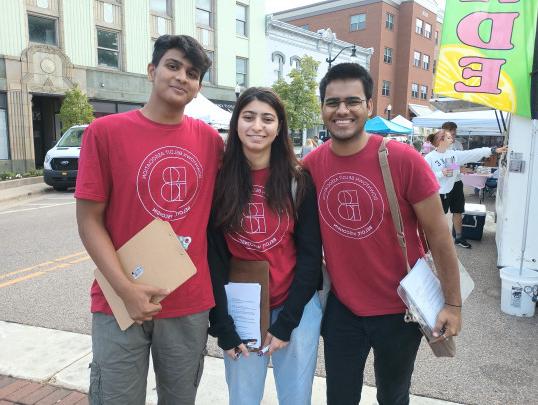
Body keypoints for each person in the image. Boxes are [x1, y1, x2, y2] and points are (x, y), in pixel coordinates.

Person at [75, 35, 223, 405]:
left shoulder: (211, 141)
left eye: (192, 73)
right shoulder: (105, 132)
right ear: (152, 70)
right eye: (173, 66)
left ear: (198, 86)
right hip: (119, 300)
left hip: (188, 301)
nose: (181, 77)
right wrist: (126, 289)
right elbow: (89, 220)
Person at [302, 63, 462, 405]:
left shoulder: (403, 159)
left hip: (400, 308)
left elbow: (439, 236)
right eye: (332, 102)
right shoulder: (312, 166)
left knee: (393, 395)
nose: (342, 110)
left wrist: (452, 303)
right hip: (343, 309)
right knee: (340, 397)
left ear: (369, 106)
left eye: (352, 101)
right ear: (322, 108)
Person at [208, 87, 323, 405]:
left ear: (279, 127)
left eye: (267, 119)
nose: (257, 126)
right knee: (243, 398)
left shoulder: (298, 180)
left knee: (296, 398)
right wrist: (222, 325)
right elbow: (214, 258)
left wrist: (288, 323)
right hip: (242, 310)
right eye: (248, 117)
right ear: (236, 124)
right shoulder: (219, 181)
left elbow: (311, 256)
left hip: (294, 306)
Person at [424, 129, 507, 248]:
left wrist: (492, 150)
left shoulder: (453, 154)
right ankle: (434, 240)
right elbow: (426, 177)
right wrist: (441, 173)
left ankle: (458, 238)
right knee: (439, 217)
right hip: (440, 191)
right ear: (441, 140)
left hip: (456, 185)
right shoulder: (429, 158)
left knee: (458, 211)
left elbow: (472, 153)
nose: (452, 139)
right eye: (448, 137)